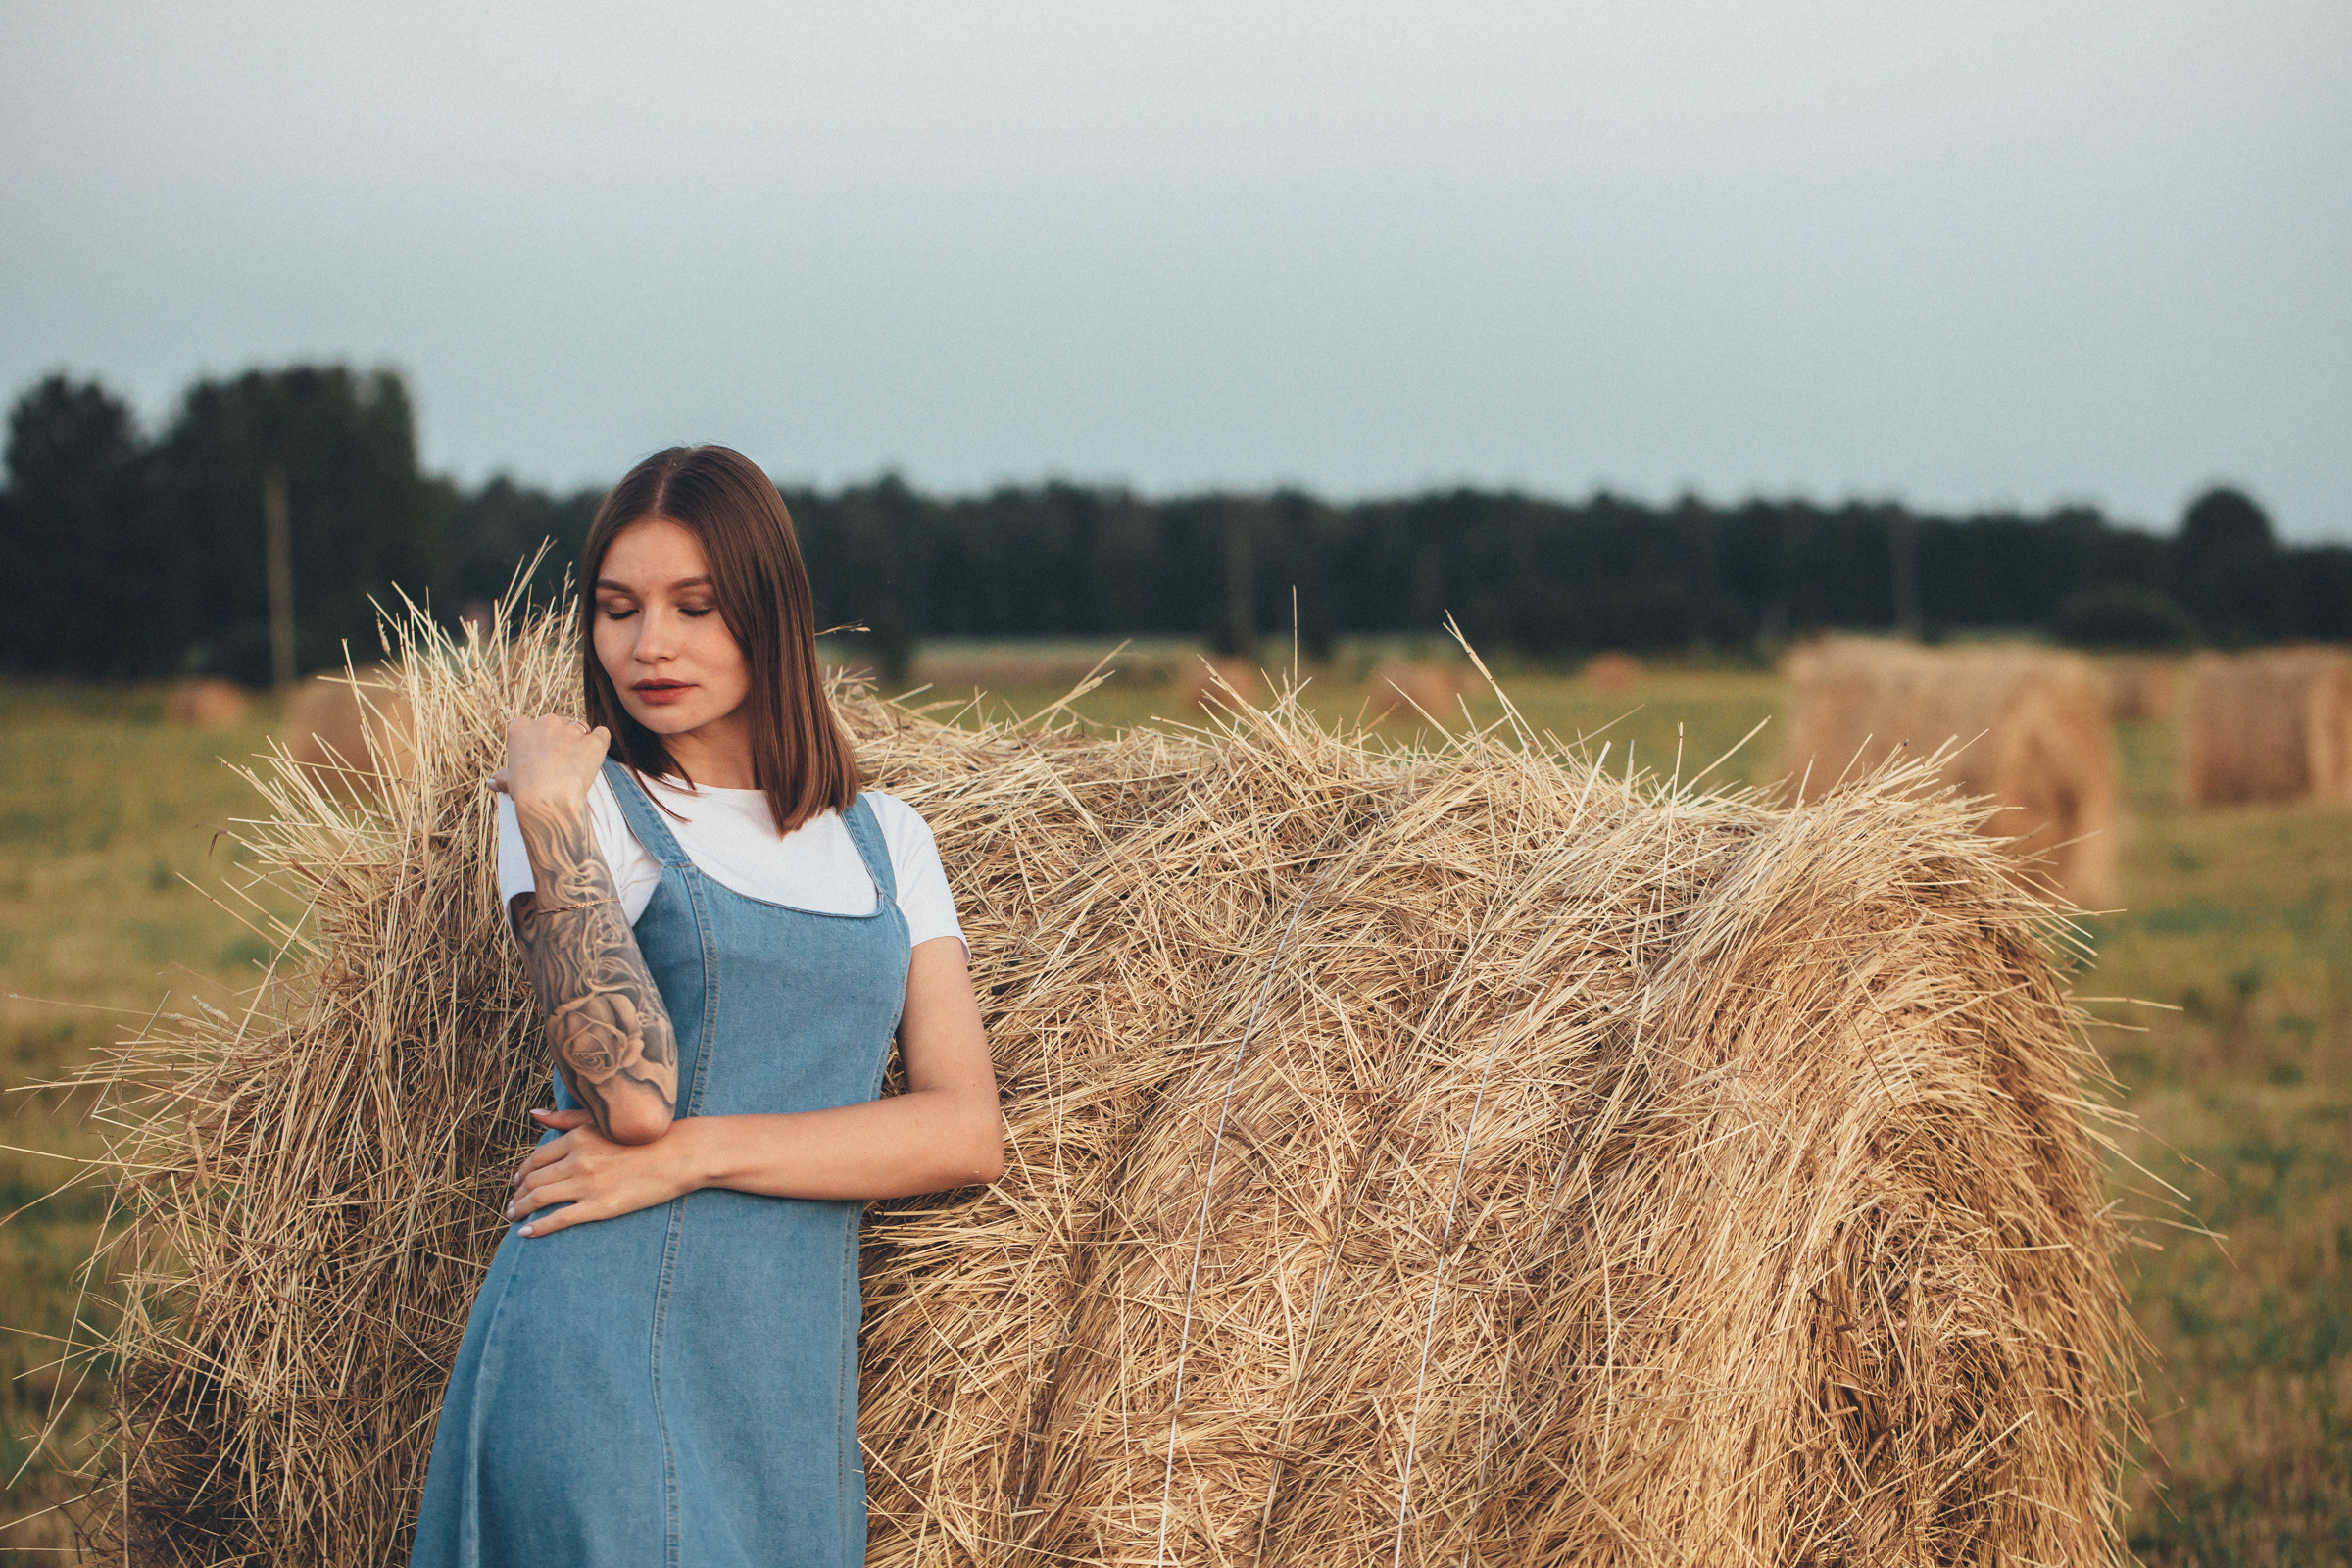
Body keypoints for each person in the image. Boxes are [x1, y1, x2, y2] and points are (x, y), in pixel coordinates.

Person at [410, 445, 1003, 1568]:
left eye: (695, 605)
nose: (651, 645)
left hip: (781, 1381)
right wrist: (544, 806)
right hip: (599, 1349)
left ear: (768, 613)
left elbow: (965, 1130)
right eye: (618, 609)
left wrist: (692, 1158)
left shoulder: (889, 842)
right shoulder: (581, 816)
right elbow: (632, 1098)